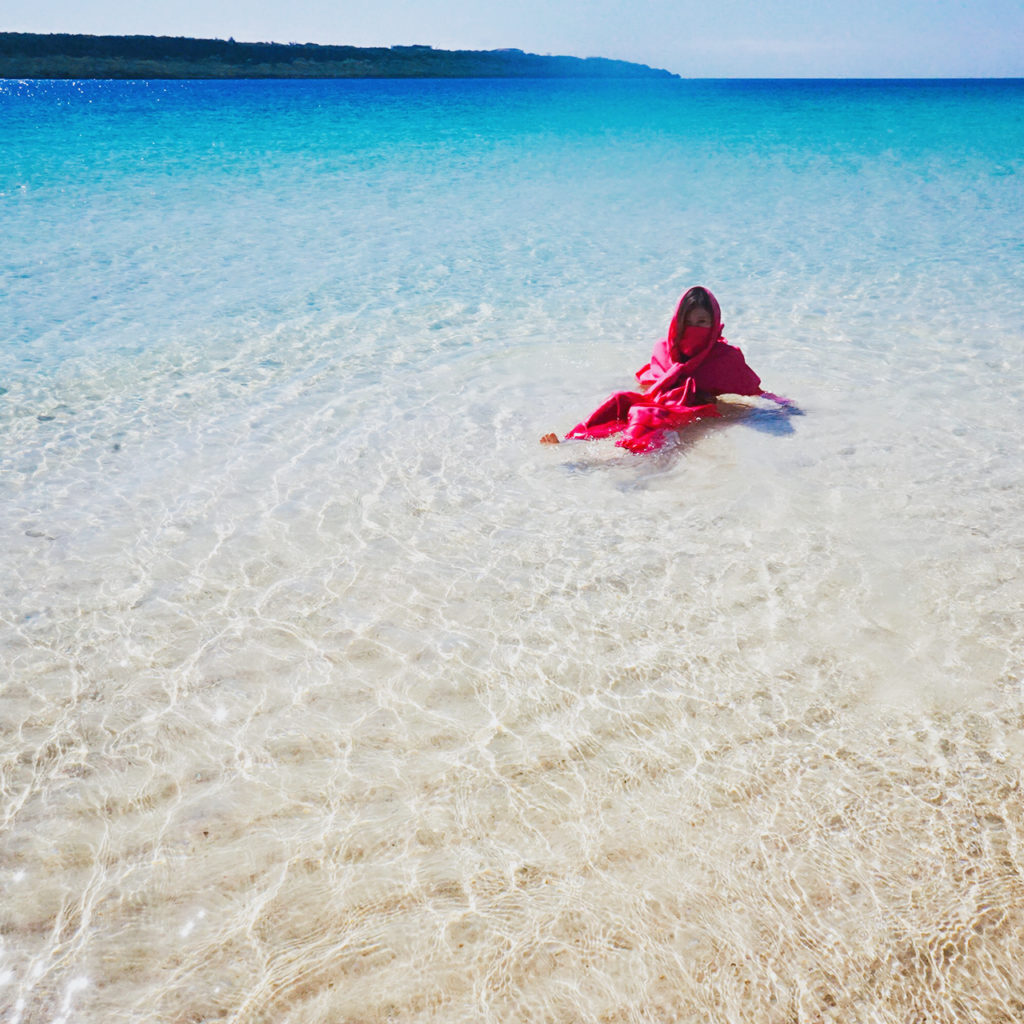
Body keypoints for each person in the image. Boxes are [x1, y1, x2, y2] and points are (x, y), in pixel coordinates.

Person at [540, 286, 788, 453]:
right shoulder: (664, 348)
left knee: (644, 414)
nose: (693, 328)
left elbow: (753, 389)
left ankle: (617, 461)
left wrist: (784, 406)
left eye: (702, 322)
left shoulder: (724, 357)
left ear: (714, 324)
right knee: (619, 399)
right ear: (676, 323)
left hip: (691, 406)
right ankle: (570, 441)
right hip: (661, 399)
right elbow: (651, 377)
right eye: (687, 322)